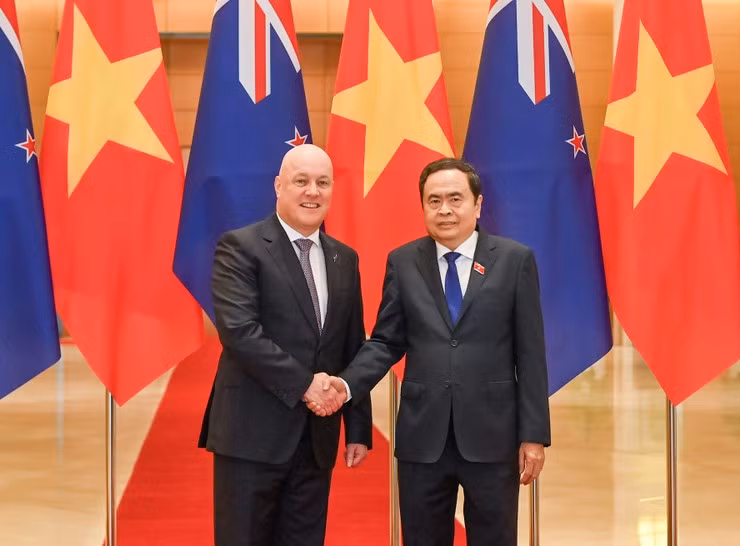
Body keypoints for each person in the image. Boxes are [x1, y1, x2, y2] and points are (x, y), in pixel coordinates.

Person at [310, 158, 551, 546]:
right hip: (423, 440)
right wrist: (345, 383)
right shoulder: (404, 262)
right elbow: (387, 340)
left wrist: (534, 435)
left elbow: (531, 353)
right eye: (433, 200)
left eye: (455, 199)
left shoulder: (513, 260)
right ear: (422, 207)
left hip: (493, 436)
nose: (444, 209)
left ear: (478, 204)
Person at [199, 144, 372, 546]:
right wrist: (306, 385)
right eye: (301, 181)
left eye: (322, 183)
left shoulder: (344, 258)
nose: (313, 191)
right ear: (279, 186)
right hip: (250, 434)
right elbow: (240, 331)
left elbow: (351, 342)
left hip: (316, 440)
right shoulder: (241, 247)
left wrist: (358, 425)